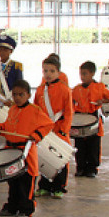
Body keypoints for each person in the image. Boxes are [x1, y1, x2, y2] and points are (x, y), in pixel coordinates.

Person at [0, 80, 54, 217]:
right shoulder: (12, 109)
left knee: (26, 182)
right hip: (11, 151)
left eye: (21, 94)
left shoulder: (35, 111)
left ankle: (26, 209)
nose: (17, 98)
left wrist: (36, 135)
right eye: (15, 95)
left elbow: (48, 124)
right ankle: (12, 206)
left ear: (28, 95)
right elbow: (8, 126)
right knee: (13, 182)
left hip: (26, 152)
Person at [34, 54, 74, 199]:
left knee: (59, 159)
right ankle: (44, 186)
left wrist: (64, 130)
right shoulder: (40, 90)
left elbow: (69, 112)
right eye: (45, 71)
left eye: (51, 71)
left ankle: (59, 187)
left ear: (58, 72)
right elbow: (36, 109)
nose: (48, 74)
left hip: (59, 130)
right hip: (44, 130)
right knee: (44, 158)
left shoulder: (65, 90)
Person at [72, 61, 109, 178]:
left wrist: (102, 101)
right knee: (80, 146)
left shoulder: (100, 87)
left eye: (85, 74)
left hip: (94, 118)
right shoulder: (76, 89)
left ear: (92, 73)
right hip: (80, 120)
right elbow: (70, 101)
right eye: (81, 74)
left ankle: (92, 168)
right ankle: (80, 167)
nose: (82, 77)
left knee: (93, 146)